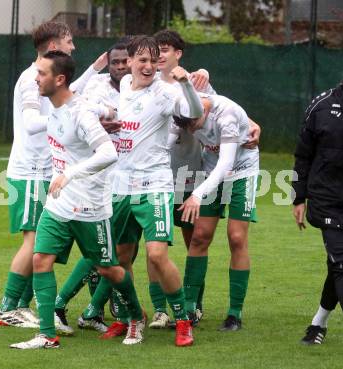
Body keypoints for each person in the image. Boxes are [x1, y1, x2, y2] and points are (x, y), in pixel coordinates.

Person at [10, 50, 144, 349]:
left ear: (59, 79)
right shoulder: (56, 108)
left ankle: (136, 317)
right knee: (40, 260)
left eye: (42, 73)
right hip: (58, 203)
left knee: (108, 268)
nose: (36, 78)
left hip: (89, 207)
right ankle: (47, 335)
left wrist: (70, 173)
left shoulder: (79, 113)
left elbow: (108, 153)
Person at [0, 20, 107, 328]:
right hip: (31, 171)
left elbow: (66, 93)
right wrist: (64, 119)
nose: (73, 46)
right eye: (69, 41)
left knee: (45, 244)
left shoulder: (48, 79)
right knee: (33, 243)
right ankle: (8, 308)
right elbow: (31, 122)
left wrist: (94, 71)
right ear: (55, 46)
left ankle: (22, 306)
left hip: (48, 172)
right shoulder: (32, 78)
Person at [107, 35, 203, 346]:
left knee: (157, 254)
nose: (149, 66)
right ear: (130, 62)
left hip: (155, 185)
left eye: (153, 60)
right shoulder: (123, 87)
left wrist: (186, 83)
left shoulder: (165, 92)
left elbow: (192, 110)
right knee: (121, 258)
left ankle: (183, 319)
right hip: (121, 186)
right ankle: (133, 318)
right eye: (143, 60)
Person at [52, 42, 132, 336]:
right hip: (105, 178)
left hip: (136, 177)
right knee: (103, 248)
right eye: (117, 61)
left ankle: (93, 311)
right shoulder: (98, 87)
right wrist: (104, 117)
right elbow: (79, 105)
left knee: (122, 251)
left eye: (126, 61)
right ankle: (60, 304)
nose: (121, 66)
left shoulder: (149, 87)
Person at [179, 93, 259, 330]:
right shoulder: (187, 99)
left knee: (236, 237)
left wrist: (197, 194)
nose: (192, 129)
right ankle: (189, 308)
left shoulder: (226, 116)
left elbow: (226, 163)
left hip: (242, 170)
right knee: (200, 236)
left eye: (193, 123)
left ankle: (235, 313)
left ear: (203, 111)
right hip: (210, 169)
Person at [292, 59, 343, 345]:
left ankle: (317, 325)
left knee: (340, 265)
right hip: (328, 199)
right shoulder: (323, 105)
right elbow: (303, 154)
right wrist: (298, 196)